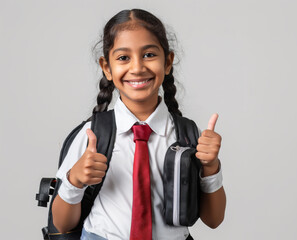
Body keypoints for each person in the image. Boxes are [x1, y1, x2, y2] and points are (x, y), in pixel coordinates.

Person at [51, 9, 226, 240]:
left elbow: (213, 220)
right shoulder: (92, 135)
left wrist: (211, 166)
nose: (137, 68)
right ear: (107, 68)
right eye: (123, 57)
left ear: (168, 62)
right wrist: (75, 181)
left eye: (149, 55)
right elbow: (62, 225)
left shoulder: (187, 135)